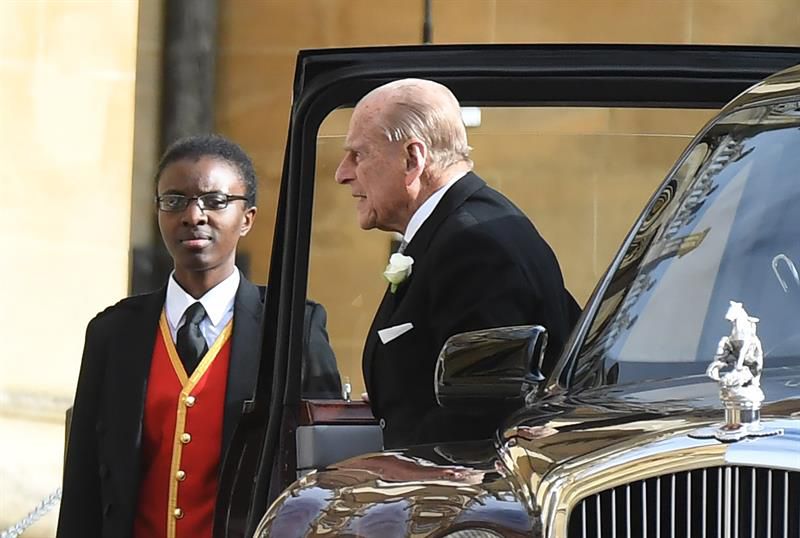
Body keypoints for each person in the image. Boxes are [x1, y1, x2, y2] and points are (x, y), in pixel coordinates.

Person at [57, 134, 340, 538]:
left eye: (215, 201)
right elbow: (83, 479)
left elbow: (323, 477)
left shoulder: (293, 327)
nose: (193, 215)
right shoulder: (113, 332)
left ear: (247, 218)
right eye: (174, 201)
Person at [335, 78, 580, 449]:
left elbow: (480, 420)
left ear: (412, 159)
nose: (342, 173)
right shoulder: (459, 230)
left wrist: (393, 469)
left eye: (359, 154)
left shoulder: (475, 245)